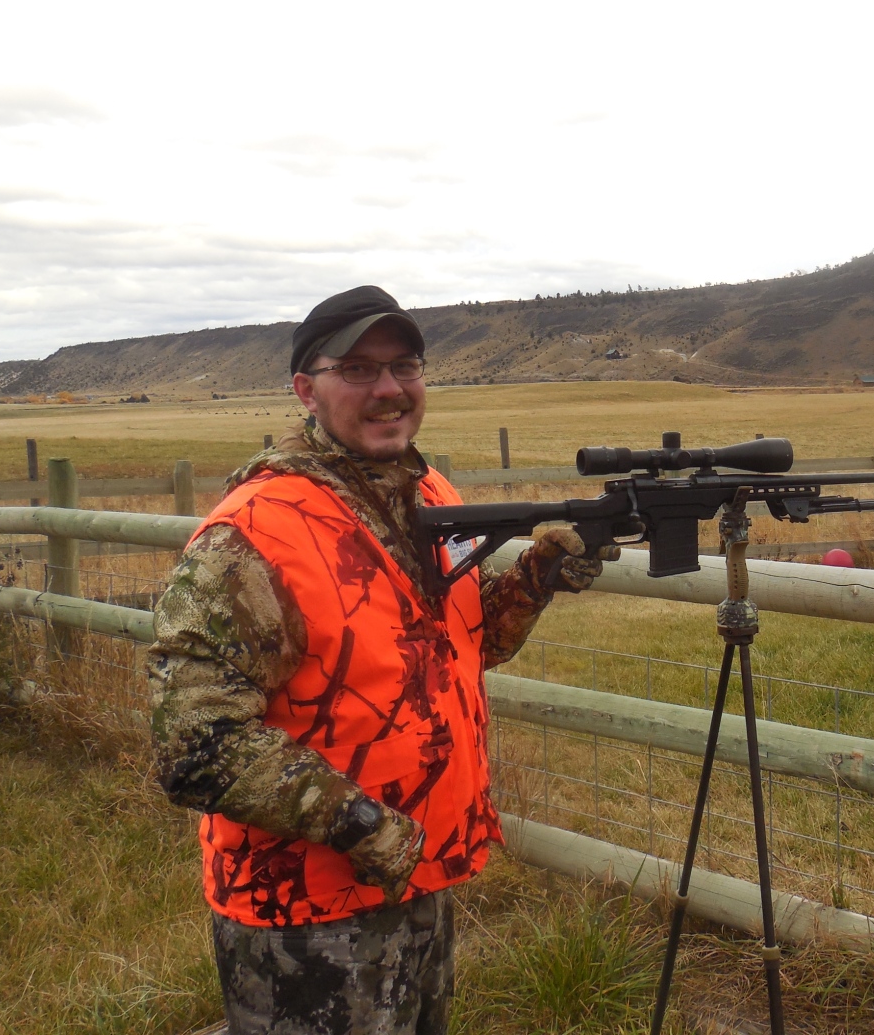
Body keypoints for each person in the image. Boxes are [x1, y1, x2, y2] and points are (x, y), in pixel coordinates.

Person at [146, 285, 616, 1035]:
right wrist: (365, 827)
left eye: (404, 367)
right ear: (306, 389)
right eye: (358, 370)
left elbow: (453, 648)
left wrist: (534, 581)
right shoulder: (255, 533)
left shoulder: (428, 493)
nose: (389, 389)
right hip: (306, 910)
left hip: (422, 875)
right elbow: (195, 744)